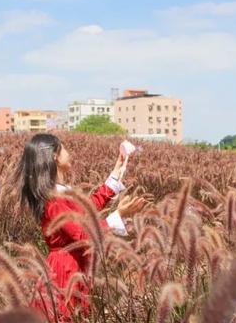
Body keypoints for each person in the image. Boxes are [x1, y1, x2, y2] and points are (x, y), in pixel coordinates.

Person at [14, 133, 148, 321]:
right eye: (64, 148)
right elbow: (83, 234)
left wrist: (117, 171)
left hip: (74, 267)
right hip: (64, 271)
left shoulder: (59, 193)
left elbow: (88, 208)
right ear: (54, 156)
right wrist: (119, 215)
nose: (69, 153)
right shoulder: (53, 199)